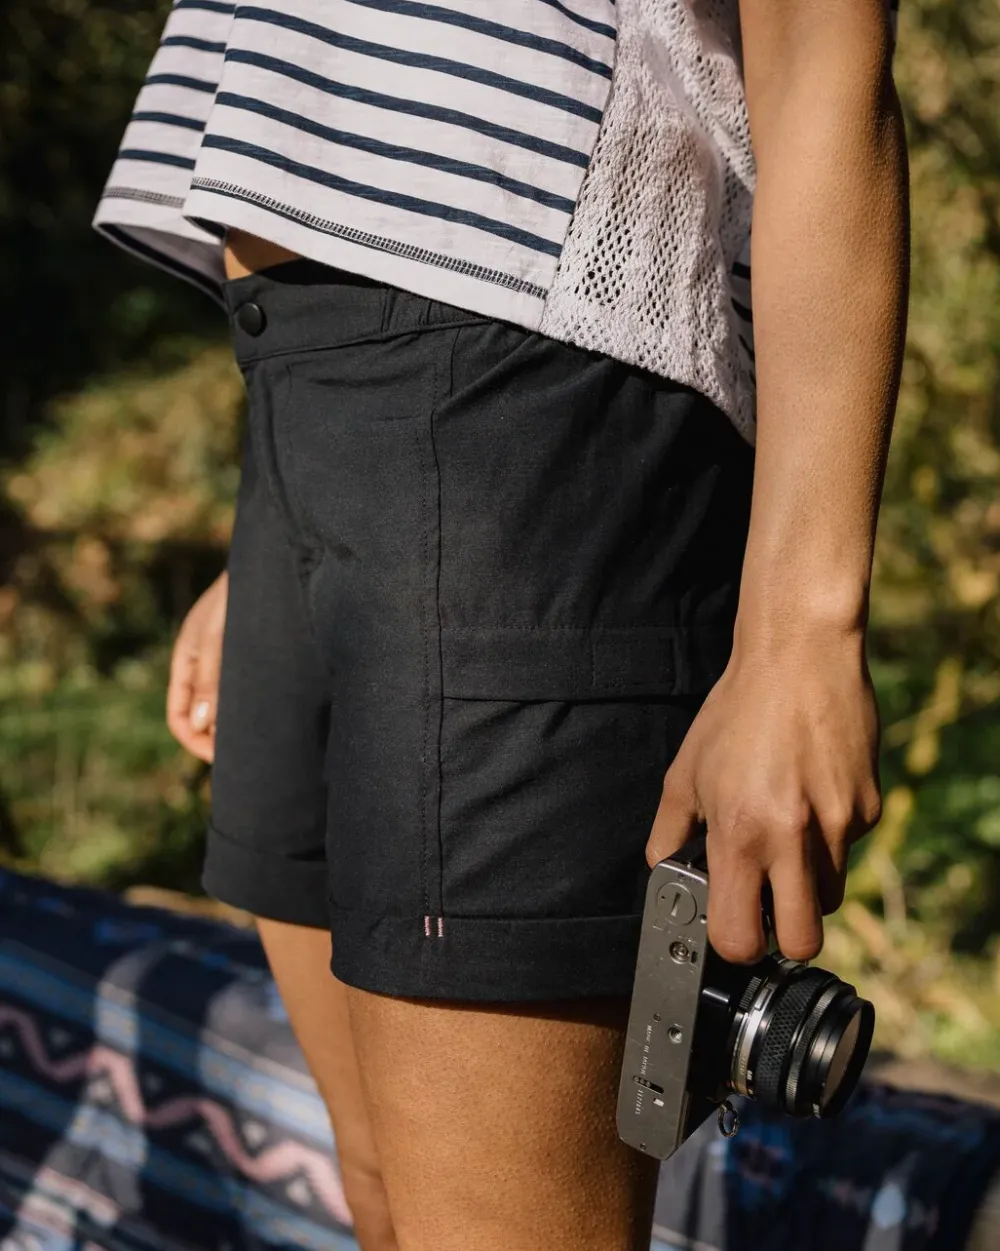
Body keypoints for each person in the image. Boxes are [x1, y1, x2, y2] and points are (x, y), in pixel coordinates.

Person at [94, 1, 908, 1248]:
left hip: (527, 409)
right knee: (380, 1190)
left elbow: (819, 53)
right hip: (300, 404)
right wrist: (294, 523)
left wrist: (800, 633)